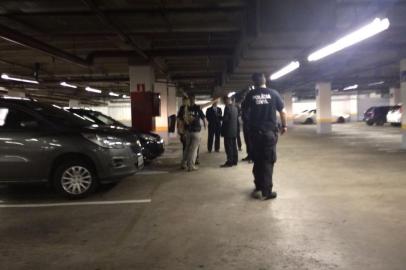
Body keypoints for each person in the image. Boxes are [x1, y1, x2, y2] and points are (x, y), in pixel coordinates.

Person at [244, 73, 287, 200]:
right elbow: (283, 112)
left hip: (255, 134)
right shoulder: (274, 93)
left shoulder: (250, 95)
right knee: (268, 161)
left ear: (254, 83)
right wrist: (284, 126)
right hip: (269, 134)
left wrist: (250, 126)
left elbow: (244, 112)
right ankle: (266, 192)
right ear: (265, 81)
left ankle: (258, 186)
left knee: (257, 160)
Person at [178, 94, 206, 171]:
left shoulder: (186, 108)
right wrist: (181, 131)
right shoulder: (185, 108)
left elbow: (179, 121)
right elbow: (180, 120)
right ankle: (191, 165)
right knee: (193, 150)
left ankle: (183, 163)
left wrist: (180, 131)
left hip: (188, 132)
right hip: (193, 132)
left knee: (187, 149)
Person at [220, 95, 239, 167]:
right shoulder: (235, 108)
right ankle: (235, 160)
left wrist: (219, 117)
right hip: (234, 131)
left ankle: (229, 161)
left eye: (223, 101)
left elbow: (225, 119)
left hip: (228, 131)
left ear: (226, 100)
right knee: (234, 146)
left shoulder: (227, 107)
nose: (223, 103)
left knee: (228, 147)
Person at [241, 90, 252, 162]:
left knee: (251, 142)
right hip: (245, 125)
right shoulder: (244, 104)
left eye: (245, 96)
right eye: (244, 96)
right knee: (247, 141)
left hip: (250, 125)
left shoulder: (251, 104)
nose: (244, 97)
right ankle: (249, 155)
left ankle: (252, 157)